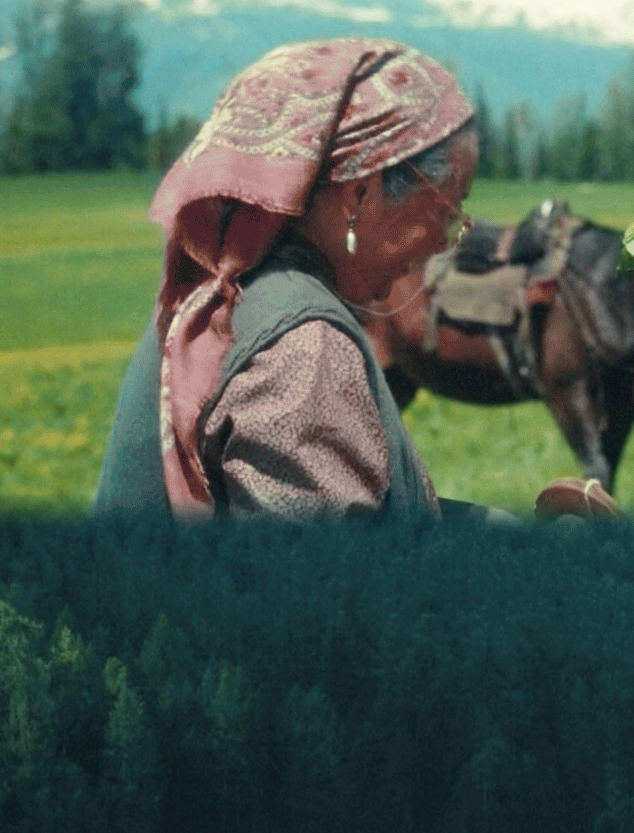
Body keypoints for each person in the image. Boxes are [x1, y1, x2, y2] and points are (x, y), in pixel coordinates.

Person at [94, 38, 480, 519]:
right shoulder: (304, 348)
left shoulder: (213, 295)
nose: (444, 242)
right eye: (447, 208)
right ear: (360, 195)